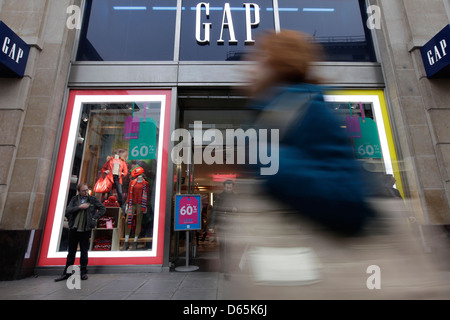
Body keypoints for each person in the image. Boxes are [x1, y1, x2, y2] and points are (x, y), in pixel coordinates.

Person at [55, 183, 106, 281]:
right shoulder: (74, 199)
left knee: (84, 251)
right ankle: (67, 273)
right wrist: (79, 207)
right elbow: (68, 210)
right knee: (71, 252)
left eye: (87, 190)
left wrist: (94, 218)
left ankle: (83, 272)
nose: (86, 192)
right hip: (74, 228)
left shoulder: (92, 199)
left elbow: (102, 208)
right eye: (84, 190)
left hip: (85, 229)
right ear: (79, 191)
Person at [208, 180, 238, 278]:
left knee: (228, 246)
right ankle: (223, 266)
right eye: (227, 187)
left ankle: (227, 269)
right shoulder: (219, 197)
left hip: (231, 225)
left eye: (230, 187)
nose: (229, 189)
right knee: (222, 246)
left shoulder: (235, 197)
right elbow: (214, 211)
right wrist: (211, 226)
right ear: (224, 187)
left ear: (232, 187)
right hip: (221, 224)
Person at [122, 166, 150, 251]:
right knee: (128, 221)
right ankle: (126, 241)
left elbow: (147, 195)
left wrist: (145, 206)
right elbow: (129, 194)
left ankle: (135, 241)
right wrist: (127, 204)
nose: (139, 176)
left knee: (138, 221)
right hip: (132, 203)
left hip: (141, 204)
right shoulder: (132, 182)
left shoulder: (145, 184)